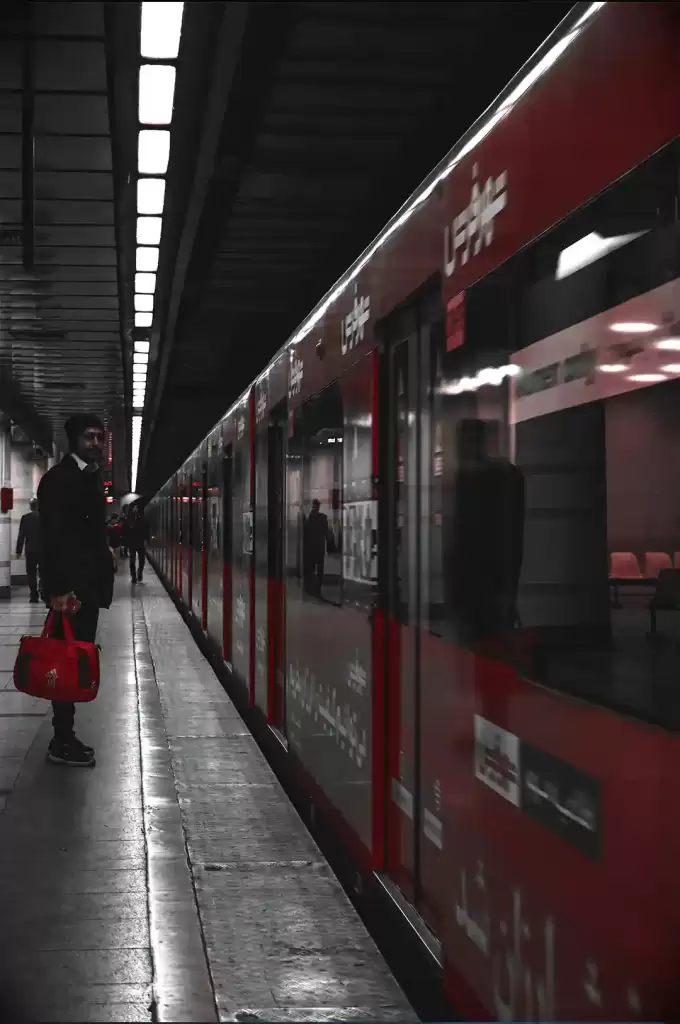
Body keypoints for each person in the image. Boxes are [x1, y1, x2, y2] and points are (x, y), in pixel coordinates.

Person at [37, 413, 114, 767]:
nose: (97, 443)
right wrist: (56, 589)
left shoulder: (90, 477)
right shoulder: (59, 479)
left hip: (86, 587)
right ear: (75, 441)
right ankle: (61, 739)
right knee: (66, 662)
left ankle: (65, 736)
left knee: (75, 658)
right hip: (70, 591)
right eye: (90, 437)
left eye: (100, 437)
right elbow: (50, 538)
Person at [15, 498, 41, 603]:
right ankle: (45, 594)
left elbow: (21, 535)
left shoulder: (25, 518)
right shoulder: (45, 517)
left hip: (30, 550)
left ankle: (34, 596)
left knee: (31, 573)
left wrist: (18, 551)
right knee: (44, 573)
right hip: (43, 550)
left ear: (30, 506)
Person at [304, 498, 331, 595]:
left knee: (311, 568)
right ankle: (318, 588)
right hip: (320, 547)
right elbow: (327, 534)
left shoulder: (310, 518)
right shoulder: (323, 518)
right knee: (319, 568)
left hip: (311, 547)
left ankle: (311, 588)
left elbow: (306, 533)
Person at [125, 503, 149, 584]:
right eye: (134, 507)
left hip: (140, 542)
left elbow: (146, 529)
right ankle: (134, 577)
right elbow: (125, 531)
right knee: (132, 560)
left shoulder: (142, 518)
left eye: (136, 507)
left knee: (142, 560)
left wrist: (146, 540)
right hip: (132, 542)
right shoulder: (128, 519)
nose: (135, 508)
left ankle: (139, 573)